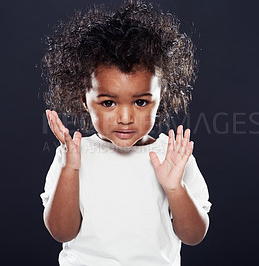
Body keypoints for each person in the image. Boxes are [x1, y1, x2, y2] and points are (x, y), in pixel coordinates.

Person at [40, 1, 211, 265]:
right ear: (85, 100)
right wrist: (70, 170)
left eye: (141, 102)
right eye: (108, 102)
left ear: (159, 98)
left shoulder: (173, 156)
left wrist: (175, 188)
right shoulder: (73, 156)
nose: (126, 118)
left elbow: (193, 236)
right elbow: (62, 232)